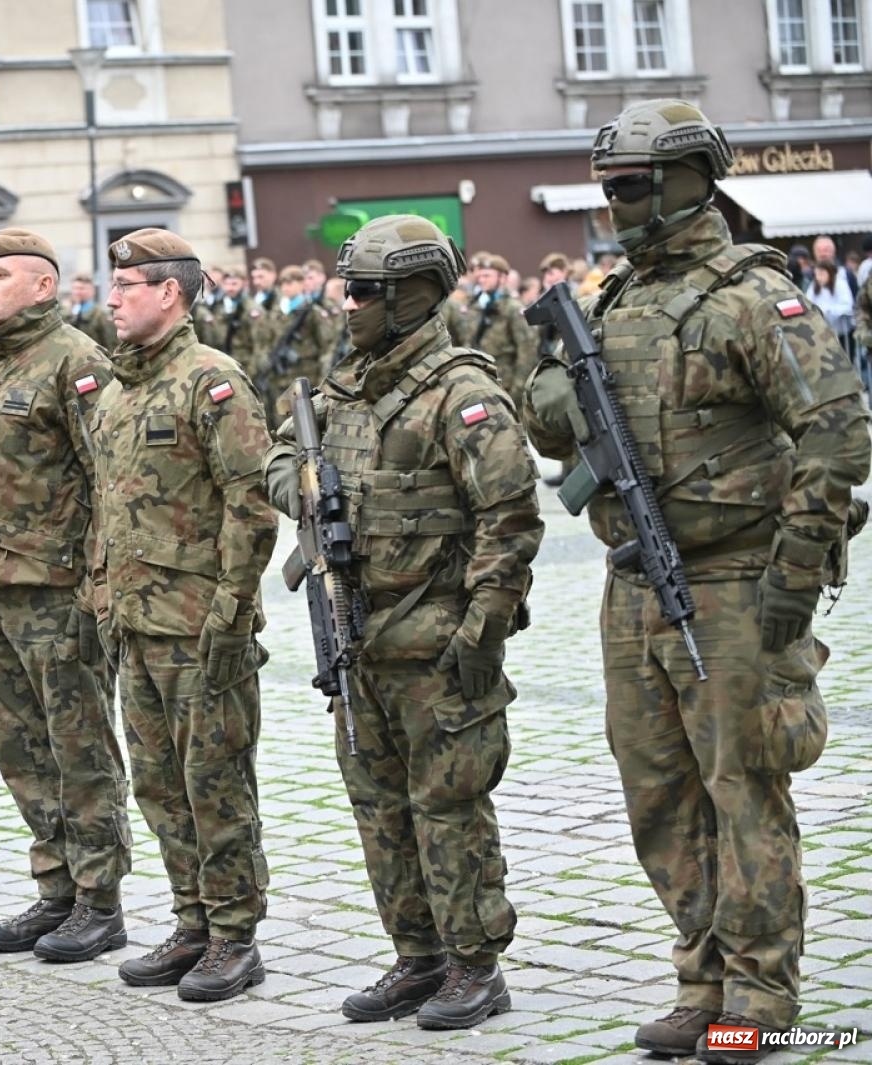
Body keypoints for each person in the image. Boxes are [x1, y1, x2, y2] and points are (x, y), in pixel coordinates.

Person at [523, 99, 872, 1064]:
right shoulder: (615, 296)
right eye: (608, 188)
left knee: (743, 787)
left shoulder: (754, 297)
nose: (615, 204)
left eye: (631, 187)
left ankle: (759, 995)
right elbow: (554, 418)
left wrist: (792, 583)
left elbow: (840, 437)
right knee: (658, 792)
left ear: (687, 182)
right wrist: (550, 392)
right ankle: (701, 978)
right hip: (633, 581)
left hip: (731, 585)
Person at [265, 215, 541, 1030]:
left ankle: (473, 964)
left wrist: (480, 633)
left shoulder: (463, 392)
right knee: (379, 806)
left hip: (436, 644)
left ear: (412, 297)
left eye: (364, 293)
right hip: (359, 638)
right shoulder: (343, 383)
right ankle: (416, 954)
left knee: (449, 806)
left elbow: (512, 520)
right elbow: (281, 456)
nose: (346, 305)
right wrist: (306, 492)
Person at [93, 228, 278, 1003]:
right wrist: (103, 600)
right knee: (159, 785)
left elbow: (254, 505)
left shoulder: (213, 383)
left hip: (202, 626)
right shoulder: (115, 390)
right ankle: (192, 920)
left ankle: (235, 935)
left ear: (169, 292)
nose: (111, 298)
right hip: (136, 625)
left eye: (127, 286)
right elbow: (107, 508)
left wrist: (231, 614)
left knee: (215, 784)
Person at [0, 227, 131, 962]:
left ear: (45, 285)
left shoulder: (79, 361)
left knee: (79, 746)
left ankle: (99, 899)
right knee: (21, 749)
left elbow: (109, 480)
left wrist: (98, 584)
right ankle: (54, 886)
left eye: (1, 274)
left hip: (58, 592)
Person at [257, 264, 340, 424]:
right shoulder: (275, 313)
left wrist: (323, 375)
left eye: (291, 283)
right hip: (280, 379)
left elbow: (327, 345)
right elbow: (265, 342)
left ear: (302, 284)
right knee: (281, 423)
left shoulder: (312, 312)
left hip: (306, 377)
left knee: (308, 423)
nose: (286, 288)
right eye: (283, 284)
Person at [466, 252, 538, 402]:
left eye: (487, 276)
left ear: (502, 278)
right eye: (480, 276)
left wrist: (518, 389)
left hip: (506, 383)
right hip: (480, 382)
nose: (482, 280)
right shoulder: (475, 306)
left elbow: (527, 350)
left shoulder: (512, 308)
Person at [804, 259, 855, 349]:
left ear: (830, 273)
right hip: (821, 330)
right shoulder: (814, 286)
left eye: (822, 274)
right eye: (817, 274)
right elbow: (808, 302)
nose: (818, 277)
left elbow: (847, 305)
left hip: (841, 332)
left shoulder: (840, 284)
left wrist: (828, 310)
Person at [65, 271, 117, 352]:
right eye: (75, 288)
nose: (78, 292)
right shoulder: (67, 314)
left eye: (82, 289)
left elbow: (111, 344)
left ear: (92, 291)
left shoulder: (100, 316)